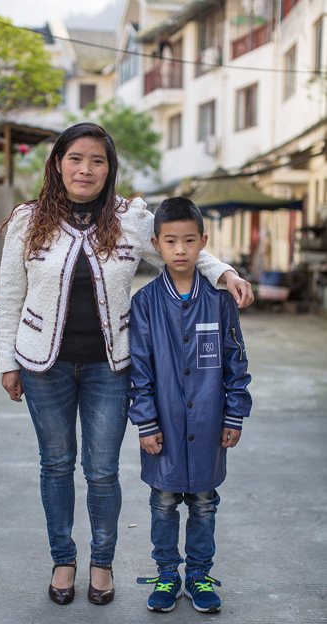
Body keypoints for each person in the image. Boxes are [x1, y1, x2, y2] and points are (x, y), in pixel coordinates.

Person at [0, 122, 253, 606]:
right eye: (75, 158)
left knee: (101, 471)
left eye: (98, 160)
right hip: (42, 365)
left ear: (109, 169)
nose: (86, 169)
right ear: (58, 163)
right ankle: (63, 559)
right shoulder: (29, 221)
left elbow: (182, 245)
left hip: (110, 367)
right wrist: (7, 360)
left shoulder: (131, 218)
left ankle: (102, 563)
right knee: (55, 465)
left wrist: (226, 273)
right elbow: (10, 294)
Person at [129, 197, 252, 613]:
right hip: (162, 423)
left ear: (203, 241)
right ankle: (167, 574)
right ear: (155, 244)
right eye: (170, 241)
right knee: (163, 502)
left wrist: (234, 413)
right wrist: (145, 422)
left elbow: (236, 361)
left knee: (203, 501)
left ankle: (199, 574)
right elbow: (140, 369)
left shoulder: (219, 301)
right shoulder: (145, 303)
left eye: (188, 240)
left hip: (209, 422)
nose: (180, 250)